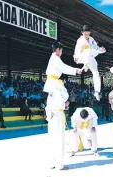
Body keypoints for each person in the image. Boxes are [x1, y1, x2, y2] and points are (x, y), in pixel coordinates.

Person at [43, 41, 82, 171]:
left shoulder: (51, 84)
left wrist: (64, 103)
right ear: (58, 49)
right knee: (59, 137)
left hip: (51, 111)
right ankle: (59, 164)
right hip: (57, 113)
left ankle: (52, 162)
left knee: (52, 137)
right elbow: (65, 68)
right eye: (61, 50)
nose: (61, 52)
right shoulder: (55, 60)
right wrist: (77, 70)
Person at [73, 25, 106, 101]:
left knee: (96, 72)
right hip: (82, 56)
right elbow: (77, 49)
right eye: (85, 33)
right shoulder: (80, 40)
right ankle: (85, 65)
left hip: (90, 58)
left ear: (89, 33)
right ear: (82, 33)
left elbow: (96, 48)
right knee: (87, 49)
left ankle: (97, 91)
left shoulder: (92, 39)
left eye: (88, 33)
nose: (86, 35)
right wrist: (76, 56)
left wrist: (101, 50)